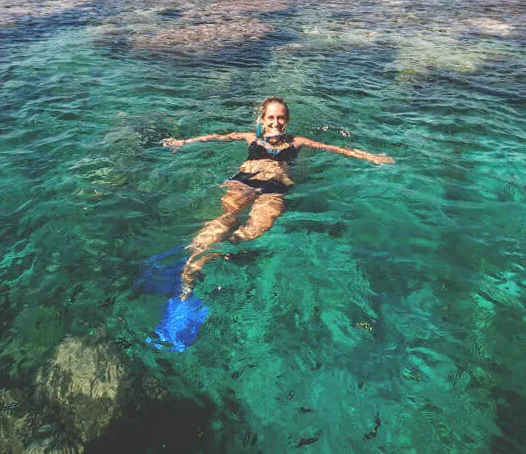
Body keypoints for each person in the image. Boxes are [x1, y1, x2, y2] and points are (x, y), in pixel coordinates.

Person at [148, 96, 392, 351]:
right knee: (223, 221)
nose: (275, 122)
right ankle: (186, 290)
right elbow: (218, 137)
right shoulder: (250, 138)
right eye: (270, 117)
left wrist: (369, 157)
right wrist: (183, 142)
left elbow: (334, 149)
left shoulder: (298, 142)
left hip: (274, 190)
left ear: (286, 121)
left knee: (252, 231)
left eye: (280, 118)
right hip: (243, 182)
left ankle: (208, 257)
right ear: (262, 120)